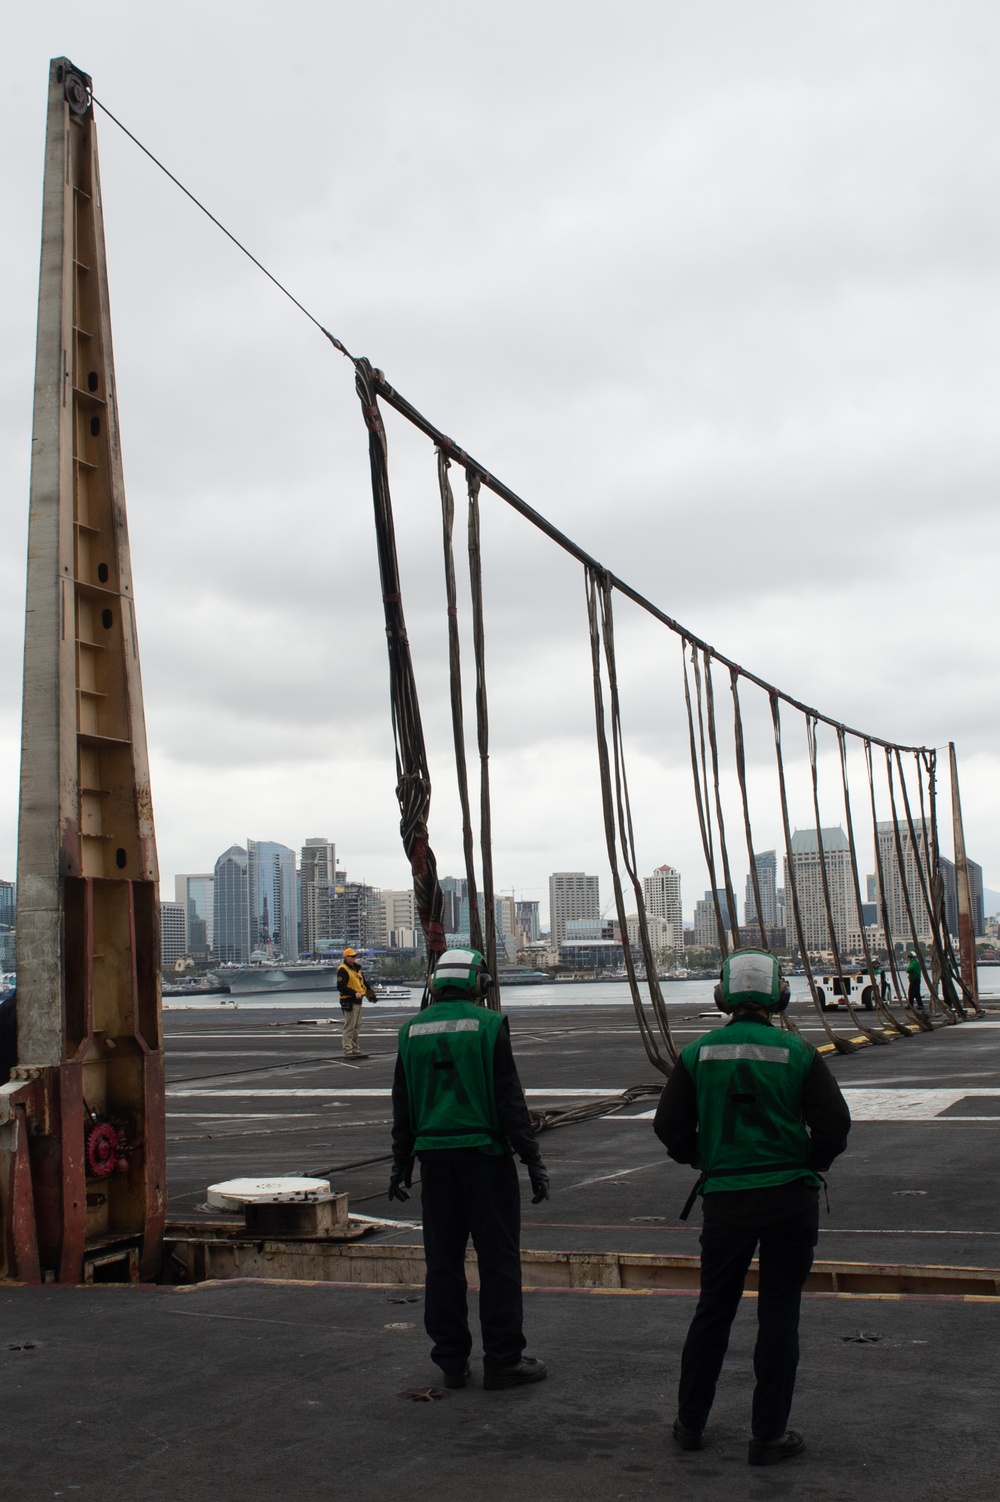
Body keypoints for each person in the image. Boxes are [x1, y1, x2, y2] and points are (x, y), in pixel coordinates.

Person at [654, 948, 851, 1467]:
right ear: (779, 996)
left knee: (713, 1310)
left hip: (726, 1200)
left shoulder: (697, 1054)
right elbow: (834, 1127)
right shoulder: (799, 1053)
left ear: (721, 997)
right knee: (780, 1313)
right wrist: (806, 1161)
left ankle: (691, 1424)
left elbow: (669, 1130)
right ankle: (768, 1435)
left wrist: (710, 1158)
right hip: (790, 1197)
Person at [388, 947, 549, 1390]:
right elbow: (510, 1101)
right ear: (481, 983)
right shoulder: (490, 1025)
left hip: (434, 1163)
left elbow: (403, 1107)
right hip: (485, 1159)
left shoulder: (410, 1031)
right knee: (498, 1262)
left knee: (443, 1265)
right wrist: (532, 1159)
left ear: (434, 984)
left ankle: (451, 1363)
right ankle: (503, 1359)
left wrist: (400, 1164)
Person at [337, 948, 375, 1059]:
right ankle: (348, 1050)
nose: (354, 958)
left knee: (356, 1027)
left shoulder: (356, 969)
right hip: (349, 1001)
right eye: (351, 956)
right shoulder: (343, 969)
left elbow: (363, 982)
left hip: (358, 1001)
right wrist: (354, 993)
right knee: (349, 1027)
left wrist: (370, 994)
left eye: (354, 956)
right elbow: (341, 987)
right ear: (346, 957)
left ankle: (355, 1049)